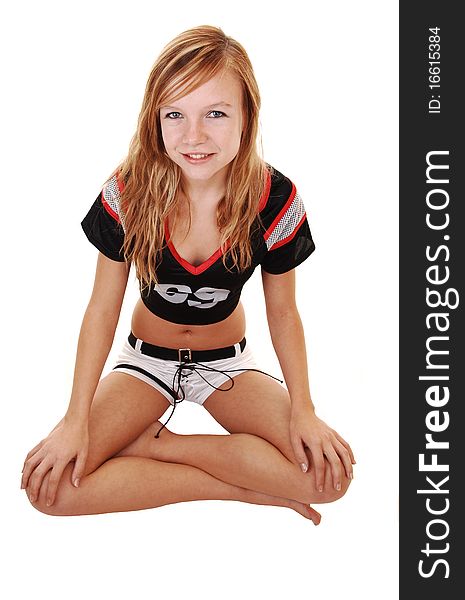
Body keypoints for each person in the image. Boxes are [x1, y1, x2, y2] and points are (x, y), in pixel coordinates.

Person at [21, 25, 355, 524]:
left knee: (328, 480)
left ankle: (161, 446)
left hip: (227, 368)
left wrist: (305, 409)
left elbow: (283, 311)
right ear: (154, 119)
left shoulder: (275, 198)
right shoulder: (129, 191)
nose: (193, 136)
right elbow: (101, 308)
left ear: (247, 118)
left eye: (215, 114)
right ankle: (242, 491)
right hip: (145, 364)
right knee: (48, 491)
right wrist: (75, 419)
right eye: (174, 114)